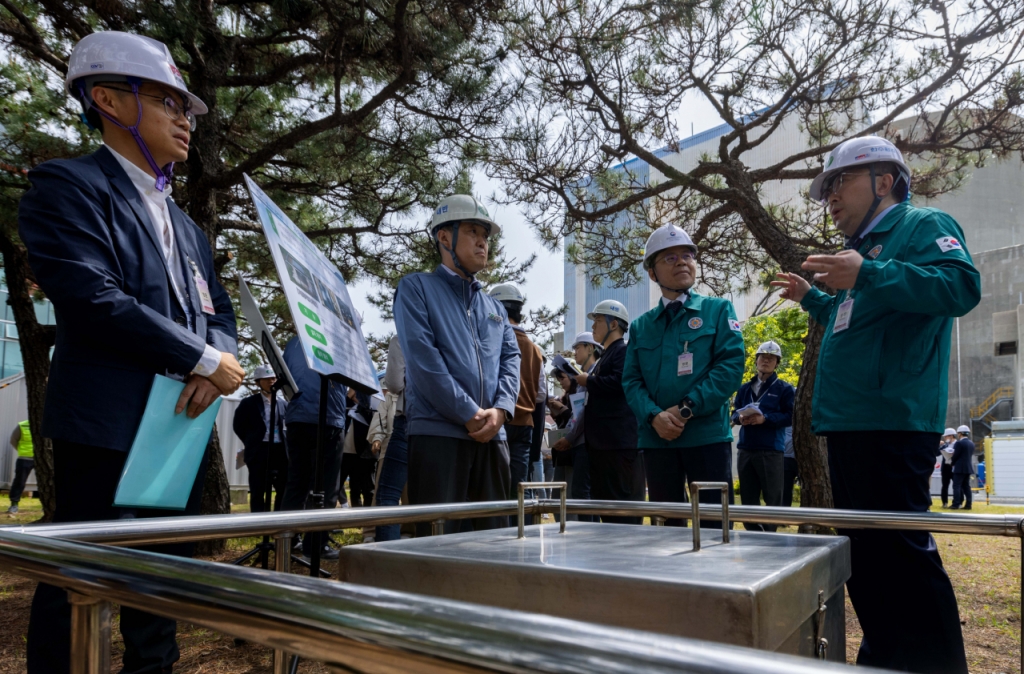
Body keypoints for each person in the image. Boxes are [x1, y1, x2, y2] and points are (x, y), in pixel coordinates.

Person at [18, 31, 245, 674]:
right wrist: (203, 359)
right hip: (106, 423)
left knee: (161, 583)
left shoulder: (188, 226)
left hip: (176, 426)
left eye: (188, 108)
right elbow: (93, 295)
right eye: (170, 101)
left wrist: (217, 363)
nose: (186, 119)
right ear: (109, 100)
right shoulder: (67, 186)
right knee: (78, 580)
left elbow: (218, 314)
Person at [771, 136, 979, 673]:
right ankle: (889, 653)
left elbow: (961, 287)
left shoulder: (922, 226)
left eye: (840, 183)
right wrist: (811, 296)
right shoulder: (859, 256)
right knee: (867, 561)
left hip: (892, 423)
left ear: (884, 182)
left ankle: (935, 664)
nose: (831, 199)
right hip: (851, 424)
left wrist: (868, 273)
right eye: (827, 190)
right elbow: (853, 319)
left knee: (901, 559)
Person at [394, 194, 520, 536]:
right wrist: (468, 411)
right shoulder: (416, 288)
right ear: (444, 237)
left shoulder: (494, 306)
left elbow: (511, 358)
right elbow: (423, 360)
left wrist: (502, 409)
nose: (482, 241)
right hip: (438, 433)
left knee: (494, 542)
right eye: (472, 231)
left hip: (493, 437)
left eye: (485, 234)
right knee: (438, 545)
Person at [622, 224, 745, 529]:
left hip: (706, 439)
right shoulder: (641, 326)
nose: (682, 262)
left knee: (715, 529)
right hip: (657, 440)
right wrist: (654, 417)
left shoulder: (717, 310)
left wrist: (686, 408)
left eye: (688, 255)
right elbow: (632, 382)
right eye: (670, 258)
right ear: (652, 273)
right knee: (666, 532)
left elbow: (730, 367)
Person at [280, 335, 347, 559]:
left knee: (296, 484)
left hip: (297, 418)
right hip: (328, 418)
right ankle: (316, 546)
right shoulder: (340, 342)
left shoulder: (293, 342)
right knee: (327, 487)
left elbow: (284, 376)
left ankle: (286, 543)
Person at [577, 300, 640, 524]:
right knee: (607, 507)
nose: (593, 327)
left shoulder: (623, 351)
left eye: (597, 321)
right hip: (603, 445)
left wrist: (589, 381)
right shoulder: (607, 355)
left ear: (613, 324)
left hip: (618, 444)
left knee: (622, 509)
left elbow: (621, 383)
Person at [489, 283, 543, 524]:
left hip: (496, 421)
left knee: (493, 487)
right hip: (525, 425)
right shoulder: (535, 349)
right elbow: (541, 394)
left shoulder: (493, 340)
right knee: (518, 488)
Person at [731, 341, 795, 532]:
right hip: (746, 448)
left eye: (771, 358)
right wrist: (739, 418)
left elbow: (790, 416)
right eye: (762, 357)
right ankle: (753, 534)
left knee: (772, 496)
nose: (765, 361)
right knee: (748, 497)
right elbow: (734, 413)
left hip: (770, 450)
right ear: (756, 360)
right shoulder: (744, 388)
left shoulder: (784, 389)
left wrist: (765, 419)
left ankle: (770, 535)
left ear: (777, 363)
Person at [551, 332, 604, 521]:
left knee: (584, 494)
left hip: (586, 443)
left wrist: (570, 437)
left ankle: (588, 540)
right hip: (580, 442)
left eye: (577, 347)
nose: (574, 352)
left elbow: (583, 413)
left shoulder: (593, 375)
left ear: (590, 348)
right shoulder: (584, 377)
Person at [232, 366, 288, 513]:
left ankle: (277, 519)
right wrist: (251, 441)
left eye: (274, 378)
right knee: (258, 488)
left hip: (280, 449)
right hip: (259, 450)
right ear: (258, 382)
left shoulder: (283, 404)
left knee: (282, 487)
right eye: (267, 379)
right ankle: (259, 522)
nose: (272, 381)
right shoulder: (248, 403)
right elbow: (238, 426)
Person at [373, 336, 410, 542]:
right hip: (391, 445)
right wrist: (377, 438)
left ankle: (397, 542)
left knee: (390, 495)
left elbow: (395, 383)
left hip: (408, 424)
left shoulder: (403, 338)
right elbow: (378, 421)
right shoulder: (387, 400)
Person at [340, 387, 377, 507]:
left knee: (363, 487)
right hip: (344, 452)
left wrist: (361, 403)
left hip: (363, 453)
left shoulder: (370, 406)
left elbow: (373, 421)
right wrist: (348, 397)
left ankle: (364, 517)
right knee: (338, 485)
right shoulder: (344, 404)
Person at [7, 420, 34, 515]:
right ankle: (14, 504)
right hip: (24, 458)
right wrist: (21, 450)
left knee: (47, 483)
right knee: (19, 481)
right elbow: (13, 440)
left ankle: (47, 506)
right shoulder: (22, 425)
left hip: (42, 459)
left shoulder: (48, 424)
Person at [950, 425, 975, 511]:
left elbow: (955, 455)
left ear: (960, 433)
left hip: (959, 467)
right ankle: (968, 504)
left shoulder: (959, 443)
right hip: (968, 467)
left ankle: (956, 504)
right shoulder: (971, 443)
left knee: (956, 486)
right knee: (966, 487)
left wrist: (952, 462)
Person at [938, 427, 957, 508]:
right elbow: (937, 453)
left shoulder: (957, 444)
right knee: (944, 486)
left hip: (954, 467)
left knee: (956, 485)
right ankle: (944, 502)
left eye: (946, 436)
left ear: (951, 436)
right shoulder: (945, 445)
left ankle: (956, 502)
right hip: (946, 467)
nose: (945, 438)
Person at [781, 426, 798, 507]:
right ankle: (784, 516)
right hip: (786, 458)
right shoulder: (786, 416)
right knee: (785, 491)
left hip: (803, 459)